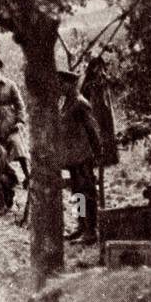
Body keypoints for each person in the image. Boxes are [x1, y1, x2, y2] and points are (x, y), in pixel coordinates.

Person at [59, 69, 102, 245]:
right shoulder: (67, 103)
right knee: (77, 192)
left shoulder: (80, 103)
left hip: (84, 156)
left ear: (71, 84)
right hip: (73, 156)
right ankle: (81, 226)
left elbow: (93, 130)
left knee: (87, 192)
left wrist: (98, 153)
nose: (60, 87)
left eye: (62, 84)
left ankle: (91, 231)